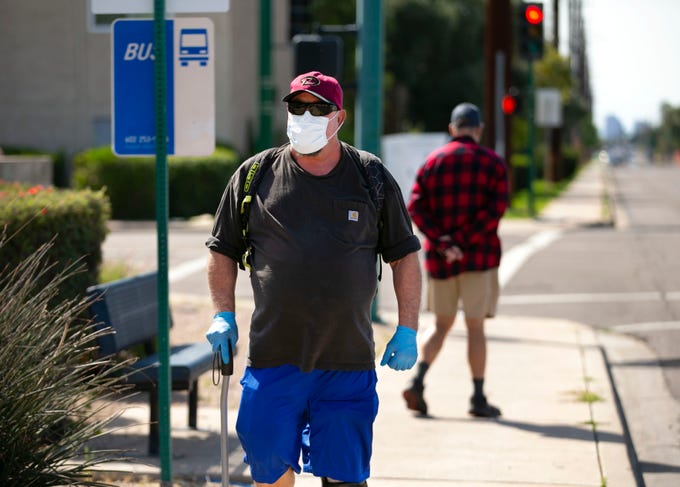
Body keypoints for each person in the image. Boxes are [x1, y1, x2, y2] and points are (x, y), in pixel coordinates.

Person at [205, 71, 422, 487]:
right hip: (273, 359)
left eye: (318, 108)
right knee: (268, 473)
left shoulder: (369, 176)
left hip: (347, 362)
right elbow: (222, 250)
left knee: (343, 477)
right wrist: (223, 315)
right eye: (297, 106)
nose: (305, 115)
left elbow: (404, 257)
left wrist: (408, 329)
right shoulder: (255, 175)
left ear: (339, 117)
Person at [402, 102, 508, 418]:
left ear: (452, 128)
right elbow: (495, 210)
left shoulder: (432, 163)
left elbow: (415, 208)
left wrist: (444, 242)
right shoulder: (493, 164)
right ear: (478, 129)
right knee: (475, 328)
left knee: (440, 326)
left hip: (441, 261)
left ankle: (417, 381)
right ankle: (477, 398)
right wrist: (463, 242)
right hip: (479, 258)